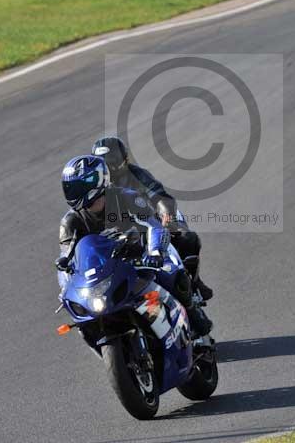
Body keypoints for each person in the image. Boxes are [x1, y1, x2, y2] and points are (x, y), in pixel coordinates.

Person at [59, 154, 212, 336]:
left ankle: (192, 311)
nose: (76, 192)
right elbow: (67, 258)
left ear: (99, 181)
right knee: (85, 319)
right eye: (72, 187)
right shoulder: (70, 221)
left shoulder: (127, 198)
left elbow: (154, 227)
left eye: (80, 186)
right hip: (106, 272)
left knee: (174, 275)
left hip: (143, 256)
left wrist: (155, 251)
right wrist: (66, 286)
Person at [91, 136, 213, 300]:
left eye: (112, 160)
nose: (110, 166)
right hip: (118, 231)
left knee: (187, 239)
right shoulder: (95, 186)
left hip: (150, 220)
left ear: (124, 159)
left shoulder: (137, 175)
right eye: (104, 162)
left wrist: (165, 214)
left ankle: (195, 282)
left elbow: (159, 195)